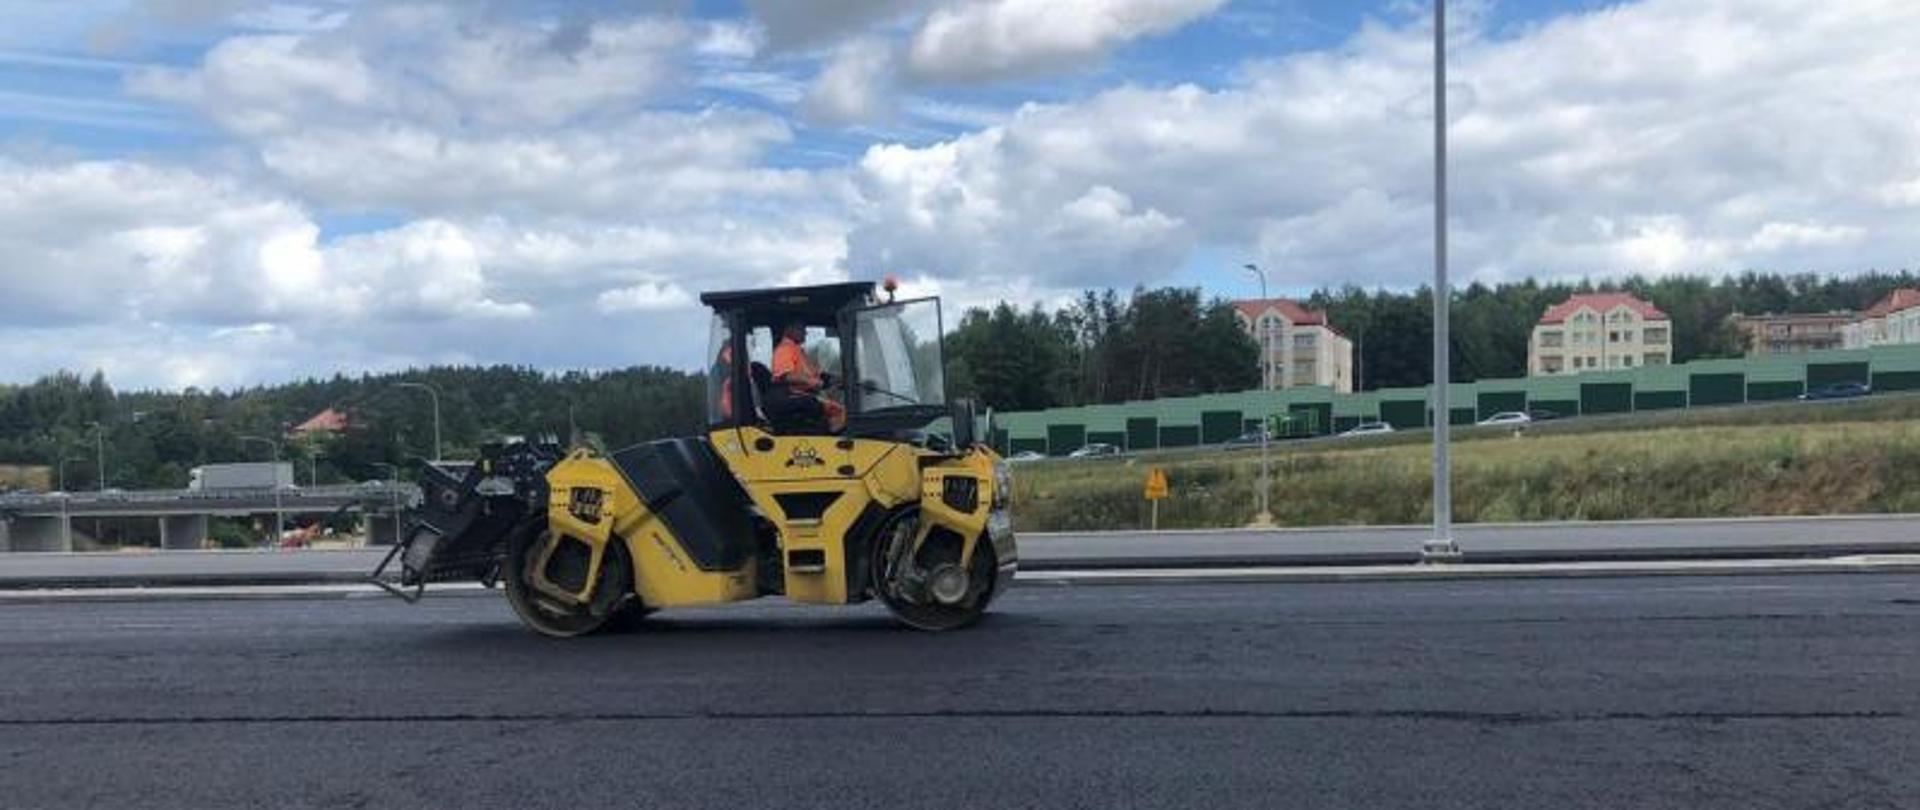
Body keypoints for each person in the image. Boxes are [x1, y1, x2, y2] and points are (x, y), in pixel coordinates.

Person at [771, 320, 846, 432]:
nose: (805, 333)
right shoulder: (784, 349)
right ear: (789, 330)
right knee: (842, 412)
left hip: (807, 395)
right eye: (801, 329)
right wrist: (813, 382)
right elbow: (784, 375)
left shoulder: (797, 350)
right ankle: (829, 440)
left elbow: (815, 373)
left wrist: (837, 379)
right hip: (799, 396)